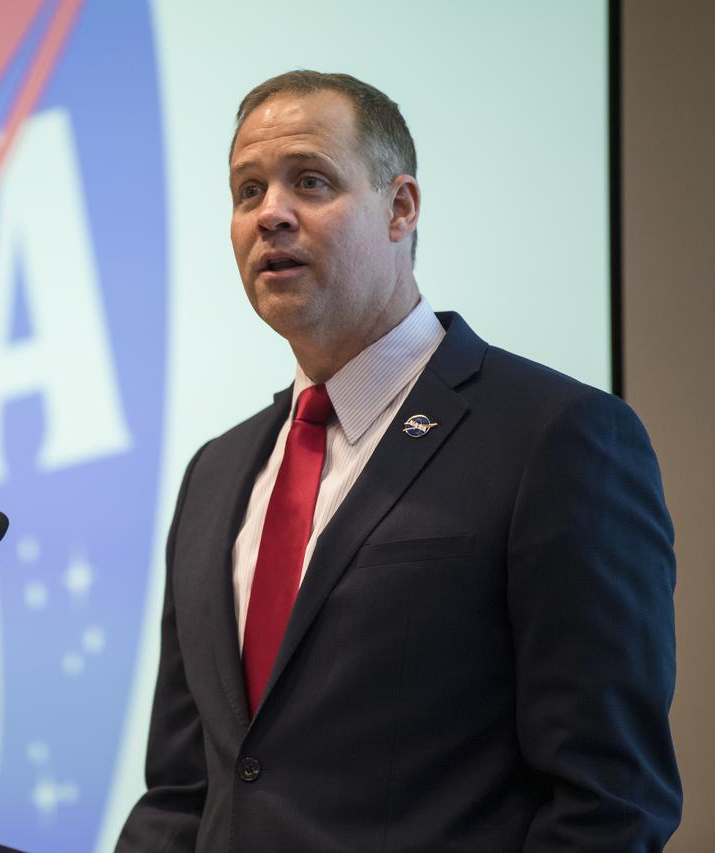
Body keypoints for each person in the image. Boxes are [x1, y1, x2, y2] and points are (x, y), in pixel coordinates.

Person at [117, 70, 681, 852]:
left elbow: (610, 800)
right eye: (247, 191)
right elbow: (184, 794)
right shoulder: (215, 473)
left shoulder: (557, 436)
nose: (270, 214)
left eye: (309, 182)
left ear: (401, 208)